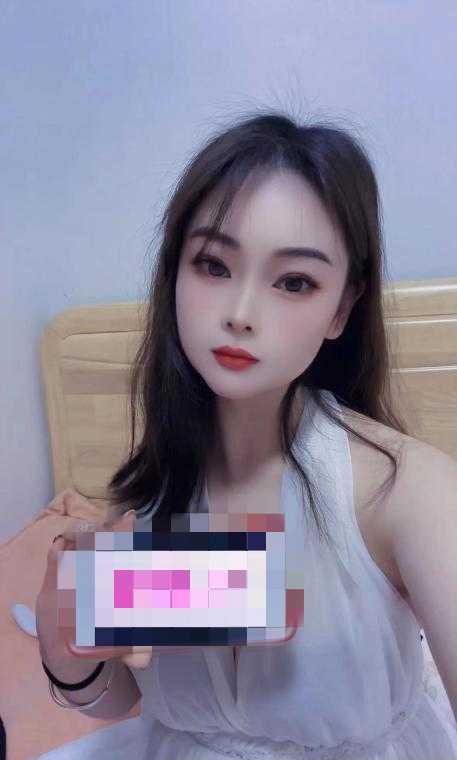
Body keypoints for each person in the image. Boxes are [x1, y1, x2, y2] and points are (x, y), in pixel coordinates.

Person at [36, 110, 457, 759]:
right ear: (174, 273)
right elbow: (133, 699)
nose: (240, 313)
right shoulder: (152, 485)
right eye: (213, 265)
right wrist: (67, 656)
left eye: (294, 282)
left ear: (341, 309)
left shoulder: (407, 491)